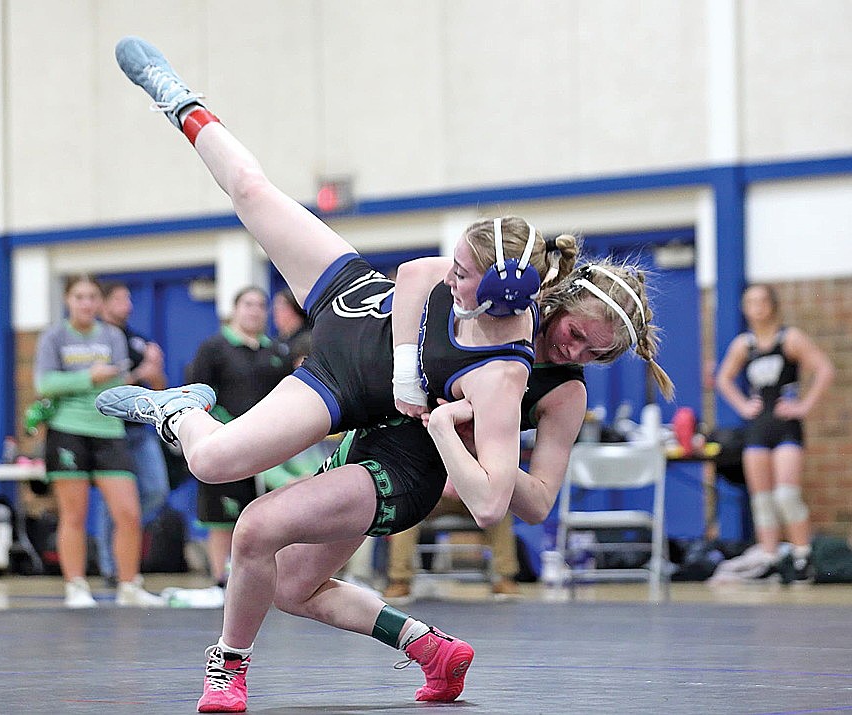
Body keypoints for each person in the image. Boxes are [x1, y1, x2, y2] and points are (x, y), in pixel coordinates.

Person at [99, 36, 672, 712]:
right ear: (557, 296)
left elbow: (516, 499)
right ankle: (180, 101)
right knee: (252, 191)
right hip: (357, 316)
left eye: (598, 355)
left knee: (234, 487)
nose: (578, 354)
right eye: (579, 335)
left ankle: (178, 422)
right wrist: (410, 372)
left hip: (379, 428)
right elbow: (420, 273)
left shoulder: (522, 382)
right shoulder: (502, 278)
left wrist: (455, 429)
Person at [33, 274, 164, 608]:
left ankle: (129, 585)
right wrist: (87, 377)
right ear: (68, 300)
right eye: (79, 297)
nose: (86, 303)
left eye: (92, 297)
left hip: (109, 431)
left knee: (129, 513)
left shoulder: (112, 336)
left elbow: (118, 381)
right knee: (74, 514)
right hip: (68, 430)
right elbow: (45, 383)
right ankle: (76, 585)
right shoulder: (54, 336)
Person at [715, 283, 834, 582]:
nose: (756, 307)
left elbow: (824, 369)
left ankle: (801, 555)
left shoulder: (789, 338)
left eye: (762, 301)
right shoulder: (745, 344)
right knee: (762, 498)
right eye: (750, 302)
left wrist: (804, 405)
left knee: (786, 495)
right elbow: (723, 378)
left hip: (785, 427)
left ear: (772, 305)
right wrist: (743, 405)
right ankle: (769, 557)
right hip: (757, 427)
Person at [187, 286, 292, 594]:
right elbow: (198, 393)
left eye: (261, 305)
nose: (255, 310)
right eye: (248, 304)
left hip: (268, 445)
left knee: (264, 515)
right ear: (234, 309)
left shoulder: (275, 351)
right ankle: (221, 579)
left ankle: (257, 580)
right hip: (227, 440)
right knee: (222, 517)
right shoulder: (214, 348)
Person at [94, 280, 171, 587]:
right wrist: (141, 374)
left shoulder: (139, 340)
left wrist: (156, 371)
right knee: (112, 500)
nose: (128, 304)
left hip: (141, 428)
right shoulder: (100, 339)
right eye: (120, 299)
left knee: (155, 489)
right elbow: (106, 387)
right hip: (111, 429)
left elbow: (158, 386)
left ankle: (124, 542)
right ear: (104, 304)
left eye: (129, 298)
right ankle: (110, 564)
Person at [383, 478, 522, 599]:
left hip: (475, 495)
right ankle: (399, 581)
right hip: (435, 494)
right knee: (405, 509)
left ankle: (505, 578)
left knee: (500, 509)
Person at [271, 287, 310, 357]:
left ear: (294, 308)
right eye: (274, 308)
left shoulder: (308, 341)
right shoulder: (276, 343)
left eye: (280, 307)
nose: (275, 313)